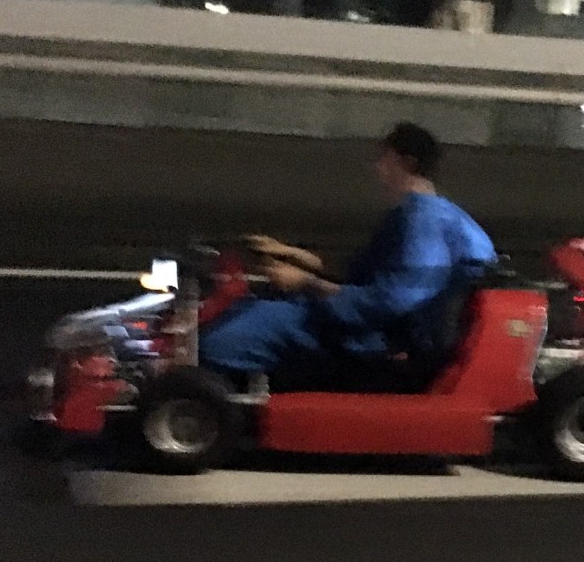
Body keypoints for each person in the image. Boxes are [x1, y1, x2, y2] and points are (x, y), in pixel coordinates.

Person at [199, 122, 497, 383]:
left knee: (229, 336)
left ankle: (210, 389)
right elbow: (365, 272)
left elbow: (389, 300)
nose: (378, 167)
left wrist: (307, 282)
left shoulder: (424, 221)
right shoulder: (435, 215)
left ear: (407, 162)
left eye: (385, 158)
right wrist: (292, 253)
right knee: (256, 308)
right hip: (378, 328)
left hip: (381, 340)